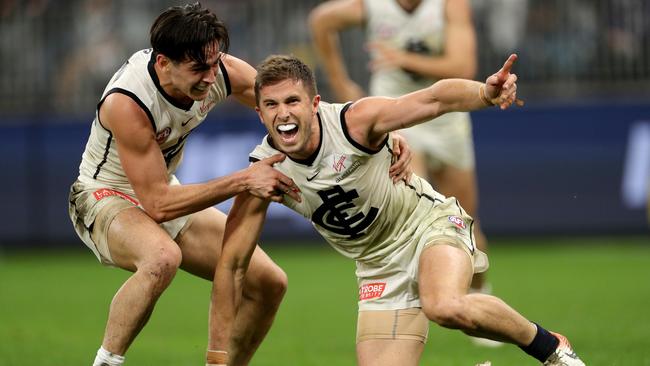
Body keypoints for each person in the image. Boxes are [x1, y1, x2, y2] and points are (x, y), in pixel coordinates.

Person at [67, 4, 411, 365]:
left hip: (162, 187)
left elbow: (299, 108)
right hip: (104, 195)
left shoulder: (220, 71)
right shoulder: (129, 102)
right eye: (199, 68)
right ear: (163, 63)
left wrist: (376, 134)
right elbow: (159, 204)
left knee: (269, 284)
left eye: (215, 63)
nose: (210, 76)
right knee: (162, 258)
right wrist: (245, 179)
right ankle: (106, 362)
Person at [207, 54, 585, 366]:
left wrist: (484, 93)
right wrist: (217, 355)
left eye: (292, 101)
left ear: (315, 104)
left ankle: (550, 348)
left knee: (446, 306)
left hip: (427, 226)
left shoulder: (353, 123)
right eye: (271, 105)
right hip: (377, 267)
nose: (283, 114)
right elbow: (232, 265)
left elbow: (433, 99)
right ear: (259, 113)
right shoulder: (263, 172)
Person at [309, 0, 496, 307]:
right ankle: (411, 299)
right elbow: (321, 20)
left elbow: (462, 67)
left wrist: (403, 59)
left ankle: (479, 290)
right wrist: (340, 82)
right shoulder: (373, 5)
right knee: (412, 207)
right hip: (397, 115)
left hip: (448, 120)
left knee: (466, 223)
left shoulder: (449, 5)